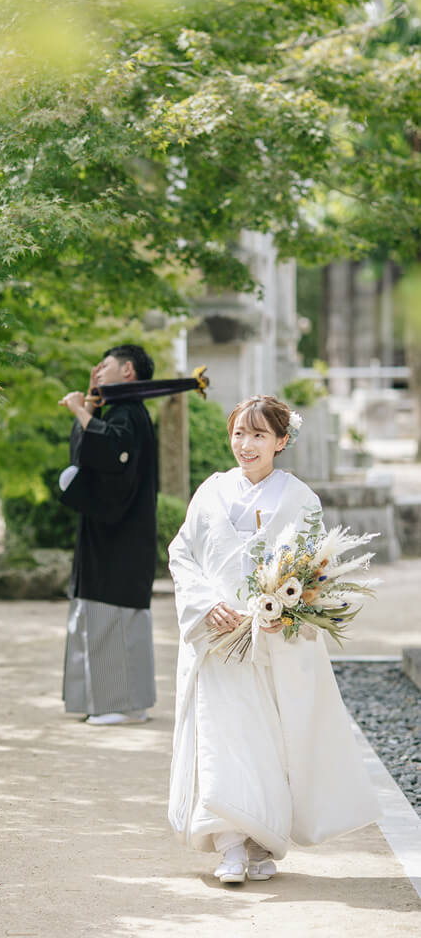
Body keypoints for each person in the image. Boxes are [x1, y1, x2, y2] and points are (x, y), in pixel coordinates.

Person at [167, 395, 379, 882]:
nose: (246, 444)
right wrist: (205, 604)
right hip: (217, 640)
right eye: (239, 433)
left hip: (270, 643)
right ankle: (230, 847)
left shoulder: (300, 499)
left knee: (268, 742)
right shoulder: (211, 492)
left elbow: (312, 570)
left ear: (282, 441)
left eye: (259, 435)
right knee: (221, 738)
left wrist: (282, 610)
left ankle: (260, 840)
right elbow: (183, 554)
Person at [58, 344, 157, 725]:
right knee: (108, 613)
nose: (97, 371)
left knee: (113, 614)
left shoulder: (129, 412)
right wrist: (92, 407)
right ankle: (127, 703)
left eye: (106, 365)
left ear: (128, 370)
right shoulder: (120, 411)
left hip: (121, 533)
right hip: (110, 531)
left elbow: (111, 451)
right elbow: (84, 456)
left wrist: (82, 410)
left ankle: (117, 704)